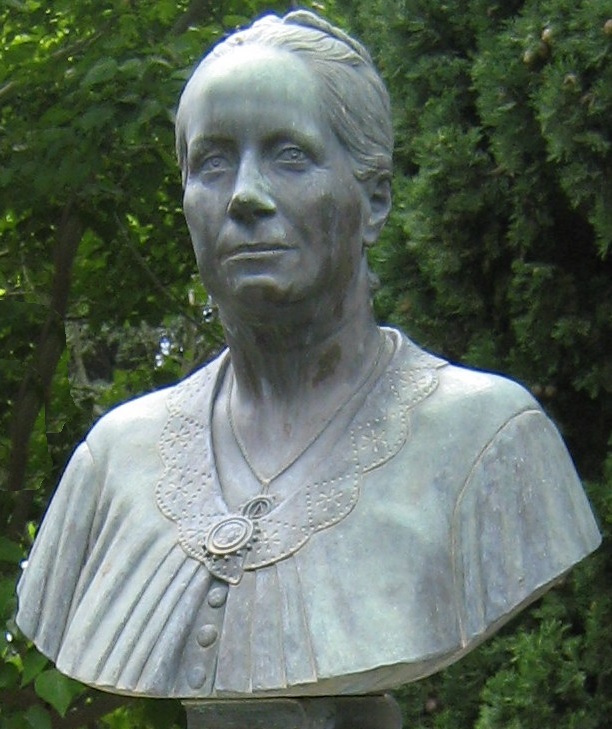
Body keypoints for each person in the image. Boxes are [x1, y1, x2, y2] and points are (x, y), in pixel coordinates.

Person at [16, 10, 600, 701]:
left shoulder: (491, 440)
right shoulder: (113, 461)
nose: (245, 196)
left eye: (290, 156)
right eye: (212, 162)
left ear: (374, 200)